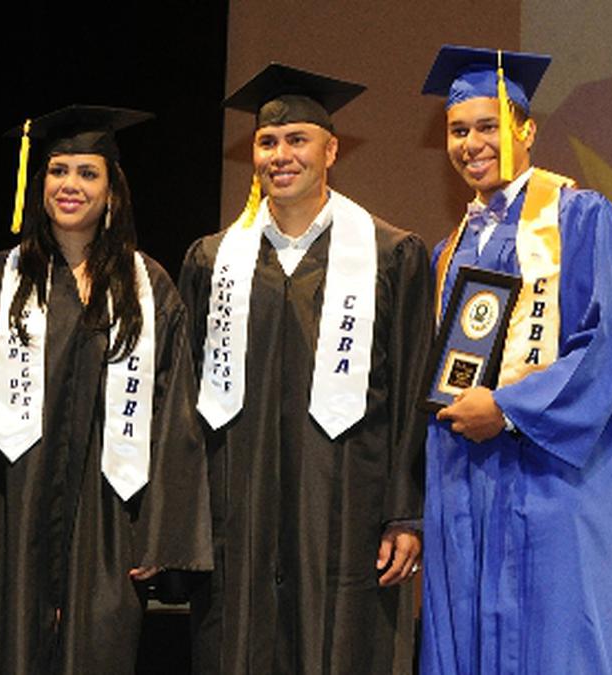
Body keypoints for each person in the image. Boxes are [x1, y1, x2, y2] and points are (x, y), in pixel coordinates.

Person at [179, 64, 432, 674]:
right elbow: (183, 396)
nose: (280, 155)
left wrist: (406, 511)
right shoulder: (213, 259)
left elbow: (411, 390)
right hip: (239, 504)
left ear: (331, 149)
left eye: (298, 140)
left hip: (347, 503)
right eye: (268, 142)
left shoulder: (390, 253)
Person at [0, 105, 214, 675]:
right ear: (40, 183)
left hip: (108, 511)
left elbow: (174, 411)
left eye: (87, 173)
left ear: (111, 190)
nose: (70, 185)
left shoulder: (149, 287)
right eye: (58, 170)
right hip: (13, 503)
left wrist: (161, 529)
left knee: (99, 649)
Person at [419, 45, 612, 674]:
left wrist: (510, 410)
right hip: (467, 481)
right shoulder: (450, 250)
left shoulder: (578, 217)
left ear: (527, 130)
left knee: (554, 642)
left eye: (488, 127)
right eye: (458, 131)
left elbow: (611, 345)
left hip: (549, 482)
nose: (471, 144)